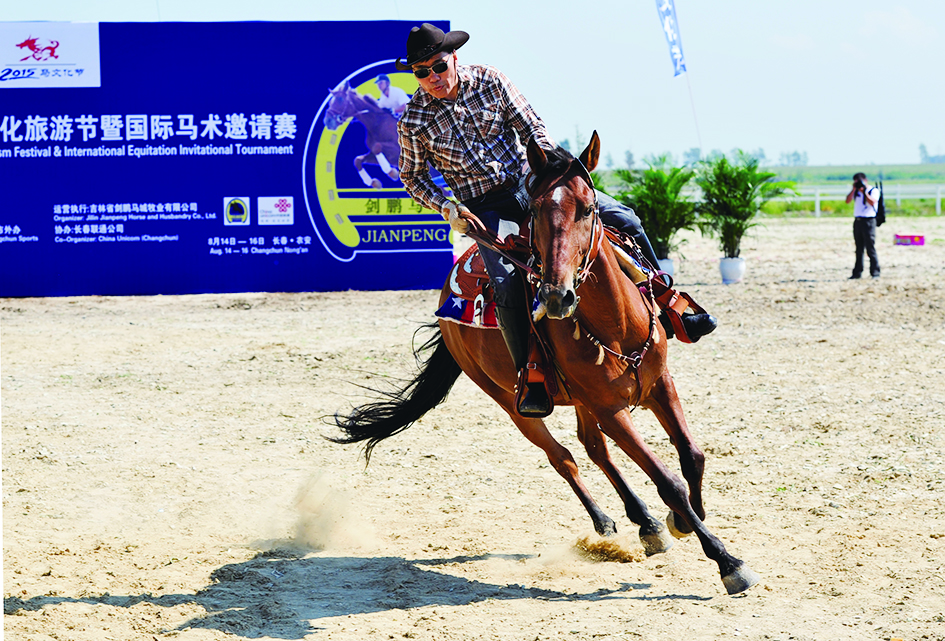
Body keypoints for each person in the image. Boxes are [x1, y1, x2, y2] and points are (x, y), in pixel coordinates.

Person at [395, 23, 716, 416]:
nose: (432, 77)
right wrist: (448, 207)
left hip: (535, 183)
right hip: (486, 208)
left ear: (453, 58)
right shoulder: (412, 120)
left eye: (437, 66)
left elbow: (532, 127)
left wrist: (553, 175)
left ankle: (669, 305)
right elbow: (411, 177)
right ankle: (530, 374)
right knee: (508, 283)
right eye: (421, 72)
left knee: (626, 220)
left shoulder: (492, 80)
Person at [845, 172, 880, 279]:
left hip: (869, 221)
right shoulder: (856, 192)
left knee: (870, 247)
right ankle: (857, 273)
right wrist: (854, 189)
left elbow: (872, 202)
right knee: (859, 248)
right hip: (858, 220)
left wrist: (864, 192)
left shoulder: (873, 190)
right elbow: (847, 201)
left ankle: (875, 272)